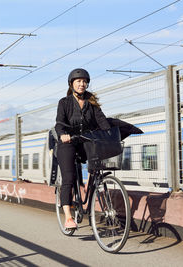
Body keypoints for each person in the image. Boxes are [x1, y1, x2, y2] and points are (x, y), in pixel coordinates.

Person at [55, 68, 110, 229]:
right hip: (68, 142)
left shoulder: (92, 104)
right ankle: (68, 217)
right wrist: (63, 135)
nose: (82, 84)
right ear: (71, 84)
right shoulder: (64, 103)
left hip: (86, 141)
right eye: (79, 81)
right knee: (69, 178)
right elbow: (59, 123)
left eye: (85, 81)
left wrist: (109, 133)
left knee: (97, 162)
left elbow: (102, 121)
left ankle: (89, 183)